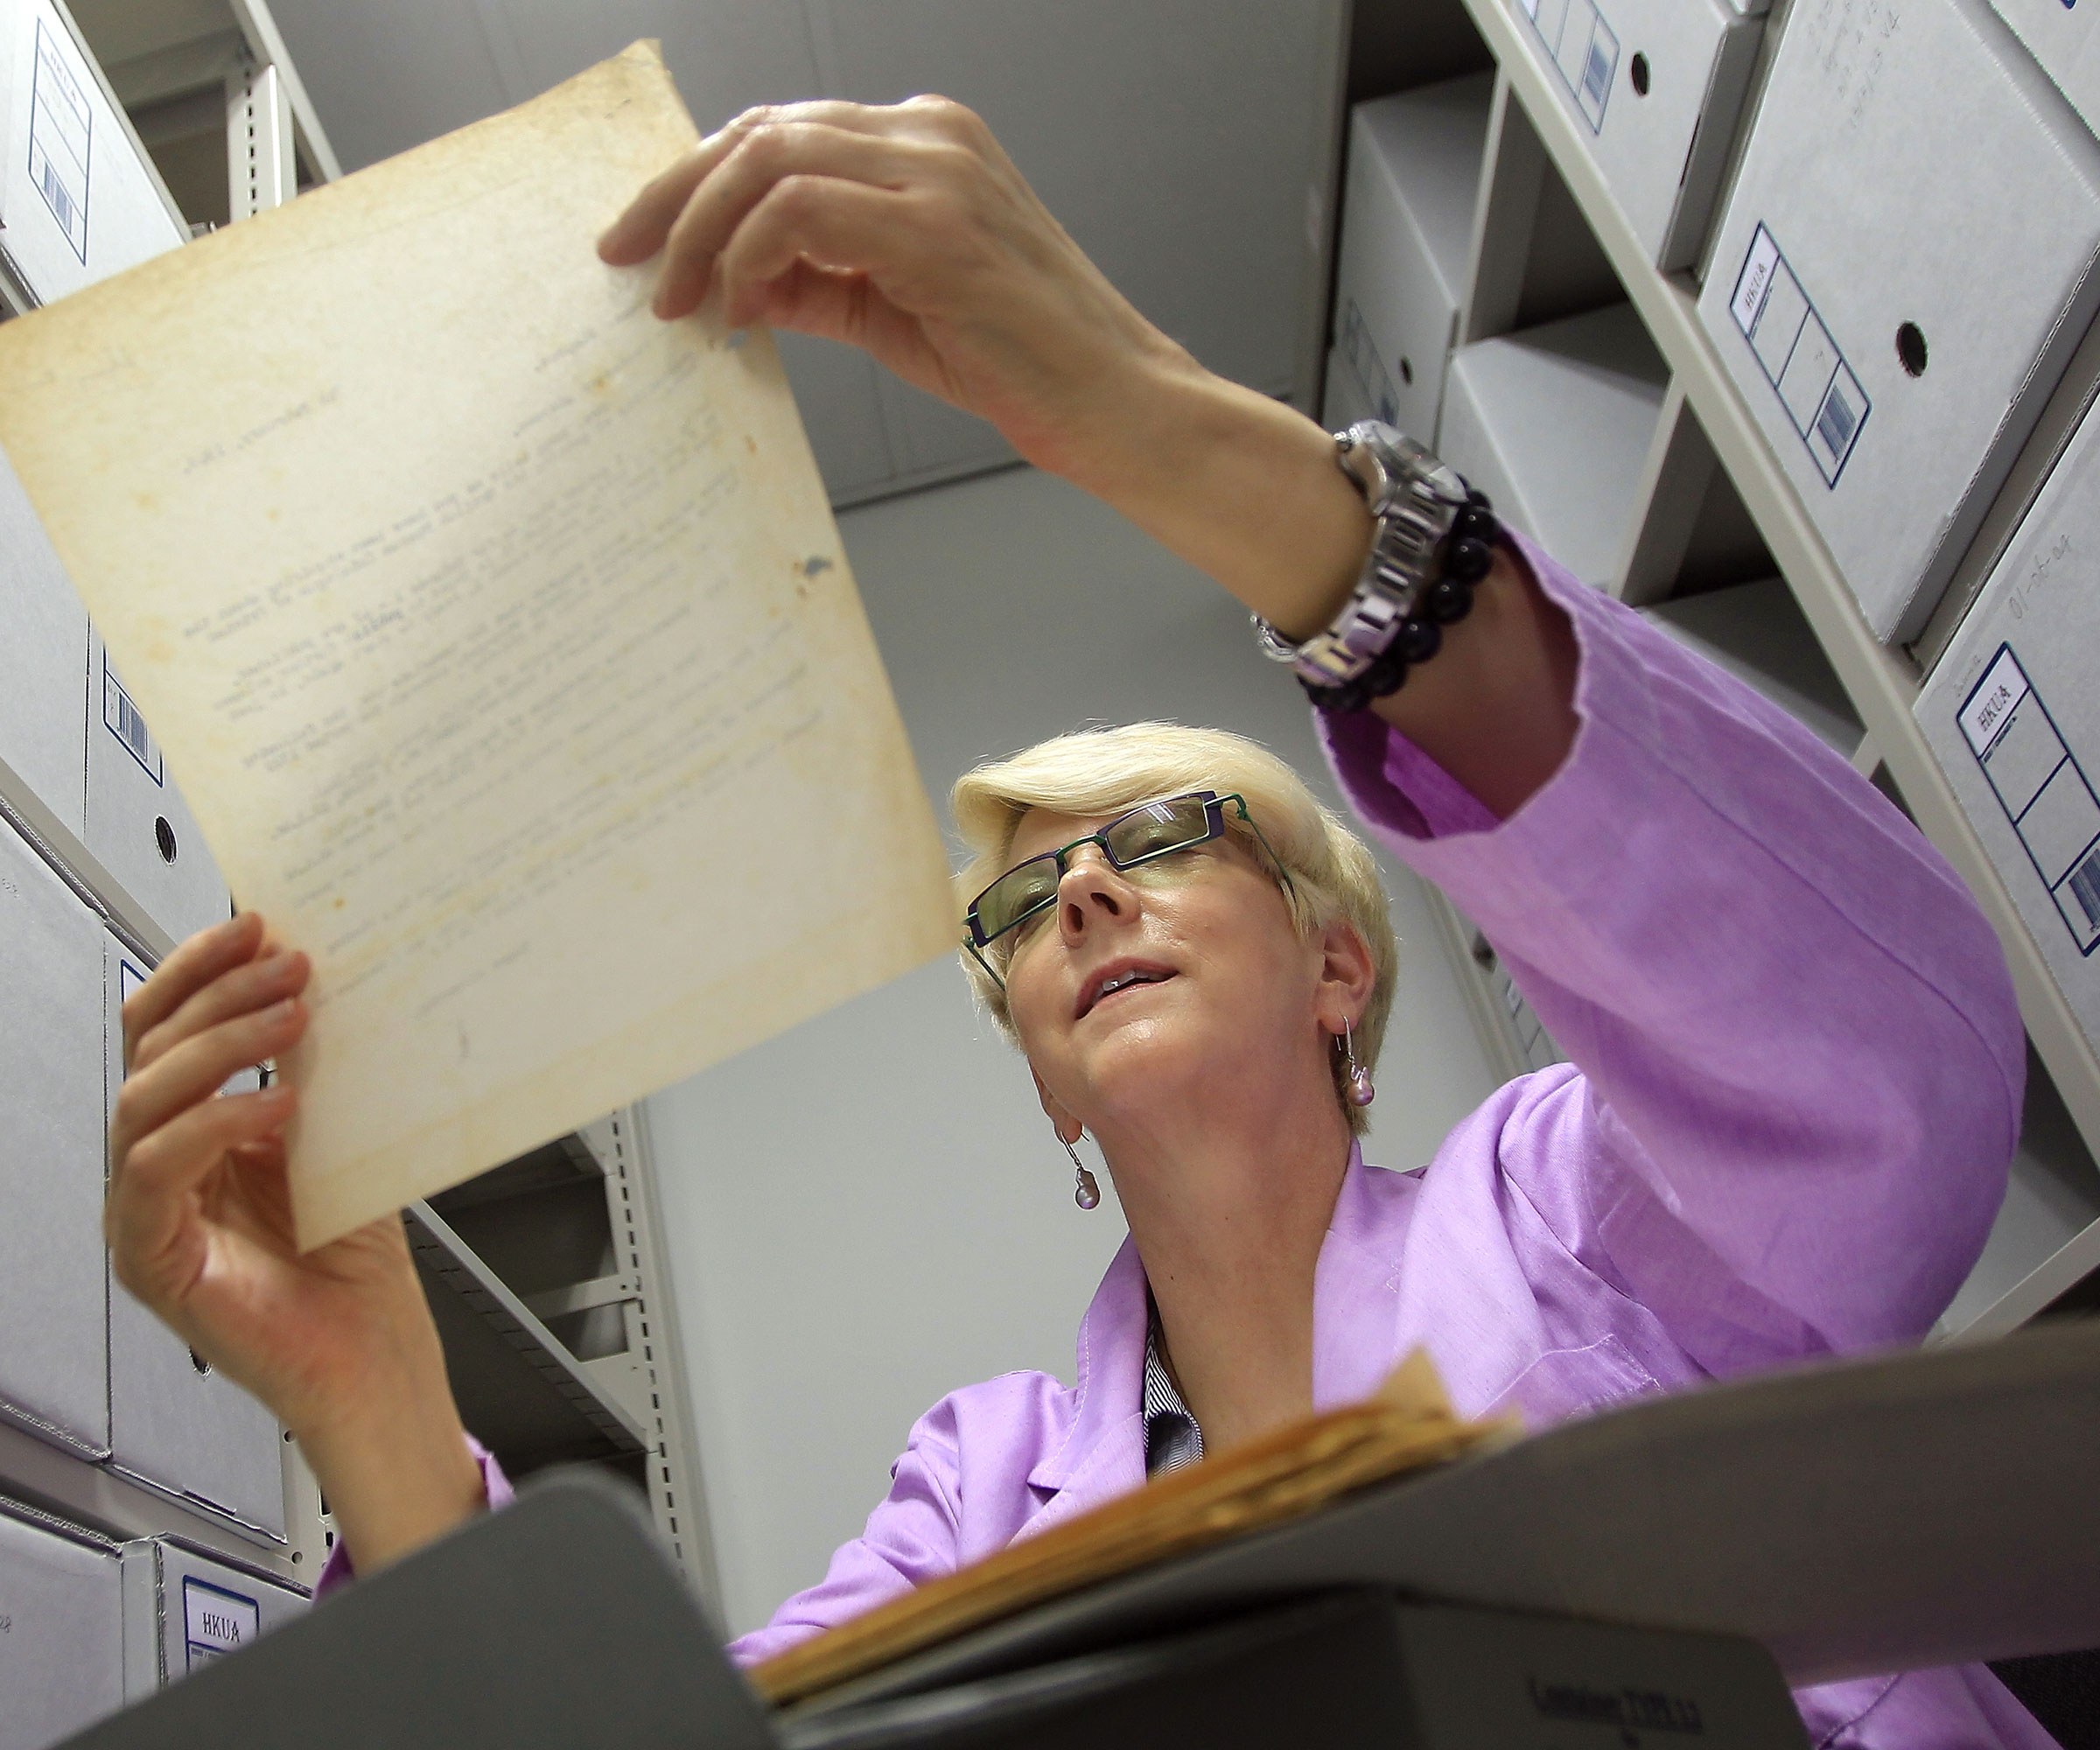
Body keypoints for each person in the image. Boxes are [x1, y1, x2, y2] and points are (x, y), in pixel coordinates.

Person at [103, 95, 2052, 1748]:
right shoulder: (980, 1492)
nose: (1085, 891)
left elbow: (1885, 1085)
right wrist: (370, 1396)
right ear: (1047, 1077)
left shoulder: (1564, 1213)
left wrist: (1153, 424)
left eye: (1167, 838)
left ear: (1340, 967)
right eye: (1028, 903)